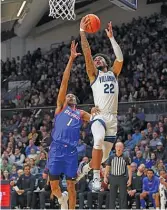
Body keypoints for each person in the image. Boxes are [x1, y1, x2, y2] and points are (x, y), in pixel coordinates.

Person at [47, 41, 99, 210]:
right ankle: (61, 199)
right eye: (67, 95)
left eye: (71, 96)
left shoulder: (81, 114)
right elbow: (64, 81)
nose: (68, 95)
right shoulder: (61, 107)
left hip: (70, 151)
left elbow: (95, 120)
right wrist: (71, 59)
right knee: (54, 188)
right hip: (55, 149)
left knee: (71, 187)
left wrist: (95, 112)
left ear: (76, 101)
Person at [77, 17, 123, 190]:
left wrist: (111, 38)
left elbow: (120, 59)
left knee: (102, 158)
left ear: (106, 63)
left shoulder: (113, 74)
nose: (96, 60)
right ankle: (96, 178)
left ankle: (86, 168)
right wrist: (82, 33)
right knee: (98, 139)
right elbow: (87, 54)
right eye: (95, 60)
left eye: (99, 59)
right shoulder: (94, 75)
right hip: (99, 115)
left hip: (113, 118)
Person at [104, 142, 132, 209]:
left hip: (122, 178)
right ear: (115, 148)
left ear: (123, 148)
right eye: (117, 147)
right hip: (113, 177)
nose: (119, 148)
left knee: (123, 196)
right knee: (112, 196)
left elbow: (129, 169)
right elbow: (107, 167)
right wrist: (105, 176)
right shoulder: (111, 157)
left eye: (120, 147)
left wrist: (130, 179)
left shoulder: (126, 157)